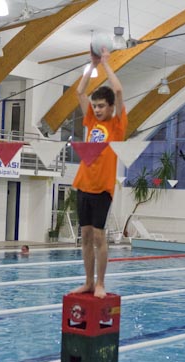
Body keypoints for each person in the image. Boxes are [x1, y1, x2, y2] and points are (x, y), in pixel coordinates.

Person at [69, 46, 126, 299]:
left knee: (99, 237)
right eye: (95, 106)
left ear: (111, 107)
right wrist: (91, 65)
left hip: (103, 188)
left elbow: (119, 90)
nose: (97, 109)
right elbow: (79, 91)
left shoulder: (117, 125)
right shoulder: (91, 121)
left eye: (102, 106)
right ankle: (88, 283)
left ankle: (100, 283)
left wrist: (105, 63)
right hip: (83, 184)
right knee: (85, 237)